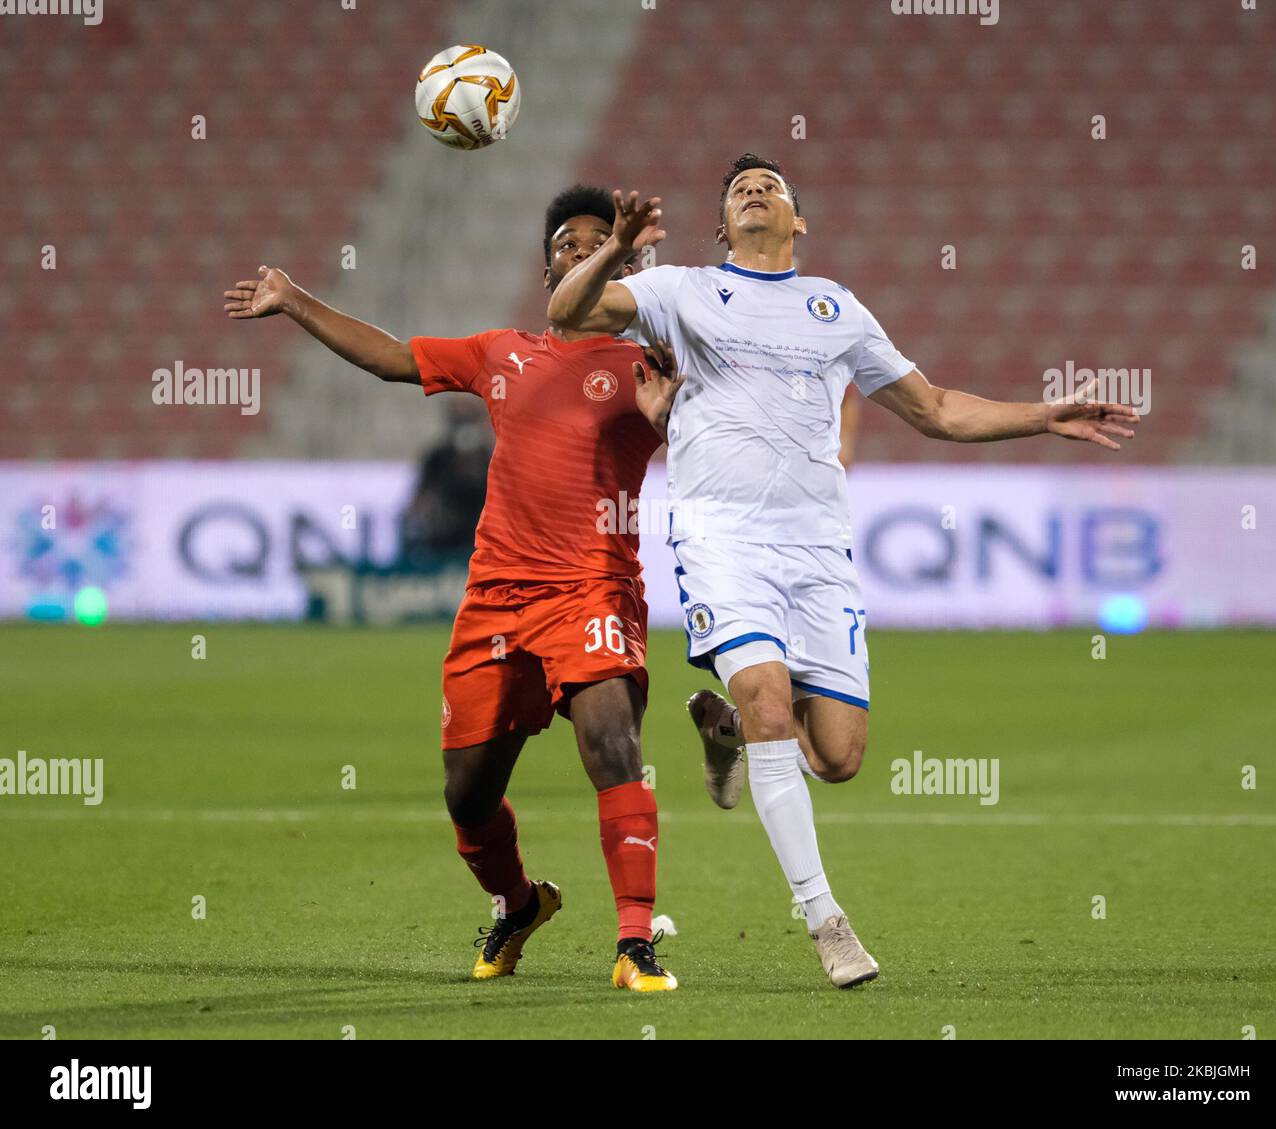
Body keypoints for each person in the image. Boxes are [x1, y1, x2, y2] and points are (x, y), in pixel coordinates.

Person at [547, 154, 1139, 988]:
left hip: (819, 550)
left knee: (840, 756)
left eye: (771, 186)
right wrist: (616, 252)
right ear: (721, 227)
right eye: (738, 190)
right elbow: (568, 315)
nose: (754, 191)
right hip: (723, 540)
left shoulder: (838, 310)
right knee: (768, 695)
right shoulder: (679, 289)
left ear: (800, 220)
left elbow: (933, 408)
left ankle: (726, 733)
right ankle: (826, 919)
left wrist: (1043, 415)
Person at [224, 185, 682, 991]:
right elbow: (392, 356)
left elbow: (717, 449)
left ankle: (635, 942)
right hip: (497, 598)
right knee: (468, 795)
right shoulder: (500, 352)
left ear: (628, 266)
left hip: (594, 587)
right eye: (569, 244)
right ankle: (518, 903)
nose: (582, 250)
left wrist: (674, 418)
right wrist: (295, 300)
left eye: (599, 242)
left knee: (614, 743)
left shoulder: (650, 364)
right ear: (548, 271)